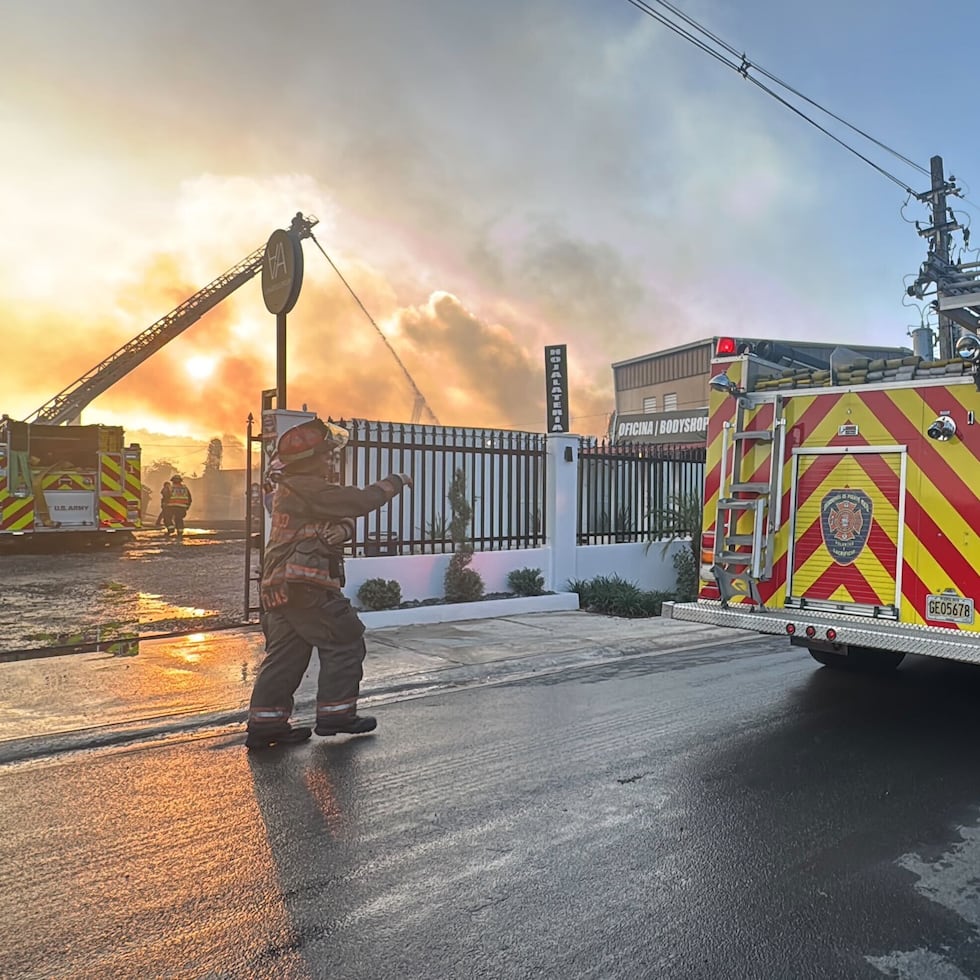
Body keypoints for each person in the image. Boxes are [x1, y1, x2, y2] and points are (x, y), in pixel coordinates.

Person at [245, 417, 413, 750]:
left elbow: (335, 518)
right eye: (324, 455)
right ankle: (336, 715)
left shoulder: (291, 486)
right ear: (309, 459)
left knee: (286, 655)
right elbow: (356, 502)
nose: (329, 460)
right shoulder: (306, 485)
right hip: (304, 585)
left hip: (281, 586)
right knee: (345, 639)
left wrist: (344, 530)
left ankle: (266, 725)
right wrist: (395, 482)